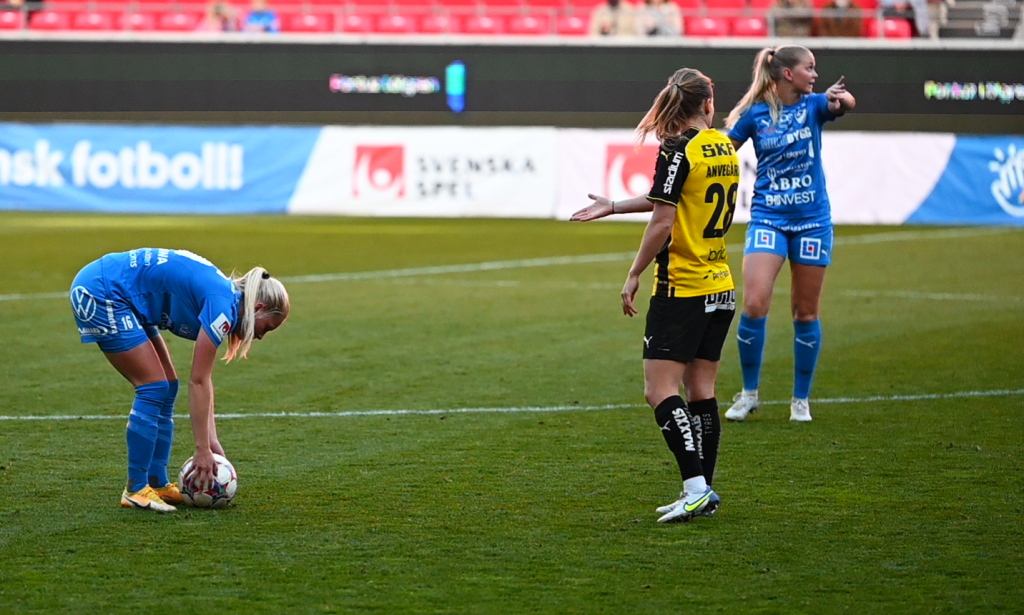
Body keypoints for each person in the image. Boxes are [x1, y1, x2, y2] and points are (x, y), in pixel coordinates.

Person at [571, 68, 738, 523]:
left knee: (658, 390)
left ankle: (696, 488)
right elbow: (671, 199)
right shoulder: (722, 145)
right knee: (701, 390)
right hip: (720, 284)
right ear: (709, 101)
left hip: (681, 286)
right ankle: (703, 490)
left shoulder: (676, 148)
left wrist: (633, 274)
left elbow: (664, 220)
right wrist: (613, 205)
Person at [69, 248, 289, 512]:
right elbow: (198, 381)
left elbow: (203, 381)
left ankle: (157, 483)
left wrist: (212, 440)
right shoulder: (222, 306)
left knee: (167, 386)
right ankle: (135, 489)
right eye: (267, 327)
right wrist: (202, 450)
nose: (261, 336)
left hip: (122, 293)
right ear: (259, 308)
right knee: (152, 387)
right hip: (103, 290)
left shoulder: (225, 298)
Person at [722, 46, 855, 422]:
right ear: (787, 74)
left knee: (805, 311)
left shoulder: (814, 105)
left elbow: (846, 103)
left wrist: (839, 97)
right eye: (809, 68)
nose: (815, 74)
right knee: (754, 303)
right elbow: (724, 149)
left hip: (813, 220)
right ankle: (749, 393)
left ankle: (801, 399)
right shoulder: (755, 114)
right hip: (768, 218)